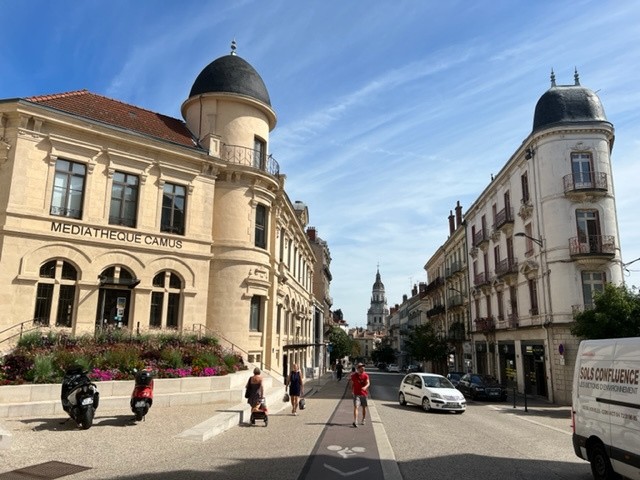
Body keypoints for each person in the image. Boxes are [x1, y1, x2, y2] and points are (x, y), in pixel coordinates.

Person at [350, 363, 370, 428]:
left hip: (364, 394)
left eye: (363, 367)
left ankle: (363, 419)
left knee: (364, 407)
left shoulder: (366, 375)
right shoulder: (353, 376)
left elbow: (368, 383)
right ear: (358, 368)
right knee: (356, 407)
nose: (363, 368)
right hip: (356, 394)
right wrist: (352, 390)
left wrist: (365, 387)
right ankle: (355, 421)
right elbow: (352, 383)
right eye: (361, 367)